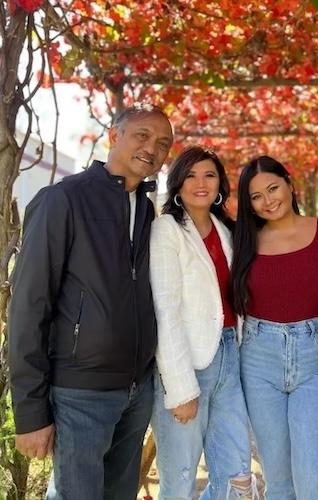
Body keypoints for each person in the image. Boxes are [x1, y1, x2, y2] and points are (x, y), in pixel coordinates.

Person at [8, 104, 173, 499]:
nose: (152, 147)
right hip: (80, 392)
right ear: (114, 137)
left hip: (136, 390)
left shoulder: (148, 211)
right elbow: (29, 306)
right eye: (142, 135)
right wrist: (31, 413)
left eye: (163, 143)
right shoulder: (61, 200)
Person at [149, 146, 256, 500]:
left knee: (237, 474)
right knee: (179, 479)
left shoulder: (228, 230)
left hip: (230, 355)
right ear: (177, 185)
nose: (200, 183)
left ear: (220, 184)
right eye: (191, 175)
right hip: (189, 364)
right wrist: (180, 388)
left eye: (209, 175)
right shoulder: (166, 229)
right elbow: (166, 309)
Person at [231, 156, 318, 500]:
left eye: (273, 188)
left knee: (314, 482)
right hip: (259, 359)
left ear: (290, 184)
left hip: (317, 358)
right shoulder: (243, 242)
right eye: (256, 196)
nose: (268, 200)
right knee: (278, 482)